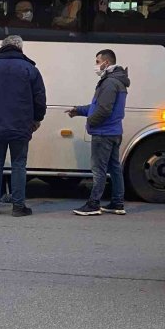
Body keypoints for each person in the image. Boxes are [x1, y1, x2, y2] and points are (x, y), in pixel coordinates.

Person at [0, 35, 47, 217]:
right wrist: (37, 119)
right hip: (21, 125)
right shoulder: (30, 69)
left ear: (2, 47)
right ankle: (18, 206)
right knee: (19, 164)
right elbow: (39, 98)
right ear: (20, 48)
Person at [66, 49, 130, 216]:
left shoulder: (109, 83)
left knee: (98, 169)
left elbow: (103, 110)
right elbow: (97, 106)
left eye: (97, 61)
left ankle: (94, 204)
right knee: (114, 168)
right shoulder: (117, 81)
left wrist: (90, 122)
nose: (96, 65)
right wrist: (78, 110)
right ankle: (117, 202)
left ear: (106, 63)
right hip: (114, 131)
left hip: (104, 133)